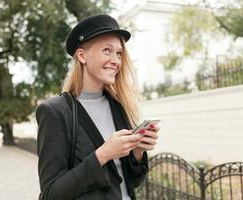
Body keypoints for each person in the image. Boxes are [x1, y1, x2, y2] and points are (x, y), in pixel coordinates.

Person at [36, 14, 159, 200]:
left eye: (119, 53)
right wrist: (103, 154)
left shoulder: (119, 105)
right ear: (82, 55)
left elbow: (131, 183)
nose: (116, 60)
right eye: (107, 51)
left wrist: (138, 151)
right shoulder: (55, 111)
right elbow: (51, 193)